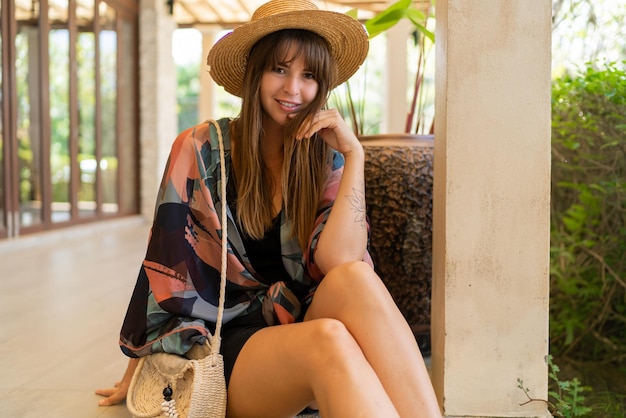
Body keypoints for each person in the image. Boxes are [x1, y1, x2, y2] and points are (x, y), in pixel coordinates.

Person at [96, 0, 441, 416]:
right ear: (255, 73)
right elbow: (163, 267)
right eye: (279, 69)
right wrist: (139, 363)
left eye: (309, 75)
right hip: (231, 344)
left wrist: (355, 156)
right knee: (329, 339)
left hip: (304, 321)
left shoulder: (326, 156)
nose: (293, 89)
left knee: (353, 278)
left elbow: (340, 260)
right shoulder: (201, 149)